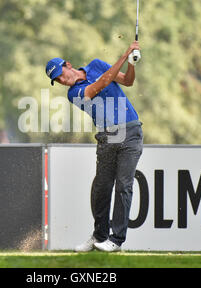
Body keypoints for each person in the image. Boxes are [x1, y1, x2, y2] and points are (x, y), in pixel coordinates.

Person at [45, 41, 143, 252]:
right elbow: (102, 84)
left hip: (131, 132)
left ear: (68, 65)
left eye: (61, 74)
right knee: (101, 187)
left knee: (124, 185)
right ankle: (99, 235)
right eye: (58, 80)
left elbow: (127, 81)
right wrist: (125, 55)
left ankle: (116, 240)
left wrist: (132, 62)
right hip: (107, 137)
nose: (62, 80)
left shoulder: (97, 65)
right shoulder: (74, 94)